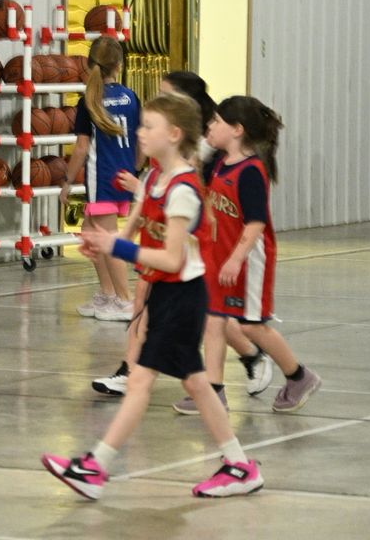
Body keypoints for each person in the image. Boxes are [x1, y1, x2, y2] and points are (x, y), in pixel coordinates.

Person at [42, 94, 264, 500]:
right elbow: (132, 228)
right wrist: (102, 242)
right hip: (166, 292)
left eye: (148, 126)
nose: (139, 133)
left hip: (184, 295)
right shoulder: (153, 180)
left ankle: (94, 467)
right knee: (196, 384)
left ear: (174, 134)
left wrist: (117, 247)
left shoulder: (183, 190)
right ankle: (239, 465)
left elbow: (172, 257)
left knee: (141, 381)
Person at [93, 72, 270, 399]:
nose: (142, 130)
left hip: (189, 258)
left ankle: (248, 356)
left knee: (210, 325)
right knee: (148, 312)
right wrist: (111, 240)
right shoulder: (160, 160)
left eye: (166, 94)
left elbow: (191, 209)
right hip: (161, 249)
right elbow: (144, 206)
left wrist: (124, 241)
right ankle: (130, 372)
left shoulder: (203, 152)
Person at [178, 96, 320, 414]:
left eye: (217, 122)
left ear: (237, 129)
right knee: (213, 320)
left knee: (251, 327)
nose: (210, 126)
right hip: (219, 256)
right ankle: (214, 392)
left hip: (249, 260)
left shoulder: (251, 171)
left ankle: (299, 377)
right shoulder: (218, 162)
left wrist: (236, 258)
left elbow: (255, 223)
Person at [60, 35, 141, 322]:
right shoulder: (131, 97)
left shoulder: (90, 101)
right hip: (124, 176)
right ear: (119, 65)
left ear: (89, 64)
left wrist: (67, 181)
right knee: (89, 231)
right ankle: (108, 294)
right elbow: (141, 140)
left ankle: (125, 300)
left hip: (102, 178)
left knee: (106, 238)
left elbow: (82, 148)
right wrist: (135, 169)